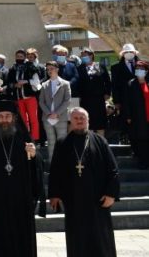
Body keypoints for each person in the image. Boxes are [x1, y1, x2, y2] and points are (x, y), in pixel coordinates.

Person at [0, 100, 43, 257]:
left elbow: (35, 170)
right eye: (1, 116)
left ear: (14, 118)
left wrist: (34, 156)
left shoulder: (24, 140)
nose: (4, 120)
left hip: (21, 204)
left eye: (8, 116)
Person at [48, 107, 120, 256]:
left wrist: (111, 194)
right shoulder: (62, 143)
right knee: (77, 239)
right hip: (73, 200)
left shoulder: (100, 141)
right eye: (76, 118)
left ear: (88, 121)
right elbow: (55, 171)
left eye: (82, 118)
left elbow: (112, 169)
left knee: (101, 238)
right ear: (70, 121)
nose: (79, 121)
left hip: (98, 200)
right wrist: (54, 194)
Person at [39, 61, 72, 159]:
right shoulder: (44, 84)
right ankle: (52, 164)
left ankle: (63, 164)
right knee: (51, 142)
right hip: (47, 118)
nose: (49, 71)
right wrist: (49, 113)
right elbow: (41, 101)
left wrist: (56, 113)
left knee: (62, 141)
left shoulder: (65, 83)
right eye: (47, 69)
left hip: (60, 117)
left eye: (51, 68)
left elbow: (67, 100)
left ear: (57, 69)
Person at [76, 49, 112, 136]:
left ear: (91, 55)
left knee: (100, 123)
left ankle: (100, 142)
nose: (84, 57)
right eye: (82, 56)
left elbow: (107, 81)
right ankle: (90, 142)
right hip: (85, 100)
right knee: (88, 122)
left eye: (85, 55)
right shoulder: (79, 68)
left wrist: (107, 93)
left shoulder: (99, 66)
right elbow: (77, 83)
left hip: (99, 99)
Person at [123, 60, 149, 168]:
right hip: (137, 117)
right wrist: (128, 116)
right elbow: (127, 102)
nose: (139, 70)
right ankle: (143, 162)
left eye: (141, 69)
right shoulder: (131, 83)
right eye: (137, 68)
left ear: (146, 71)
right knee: (141, 139)